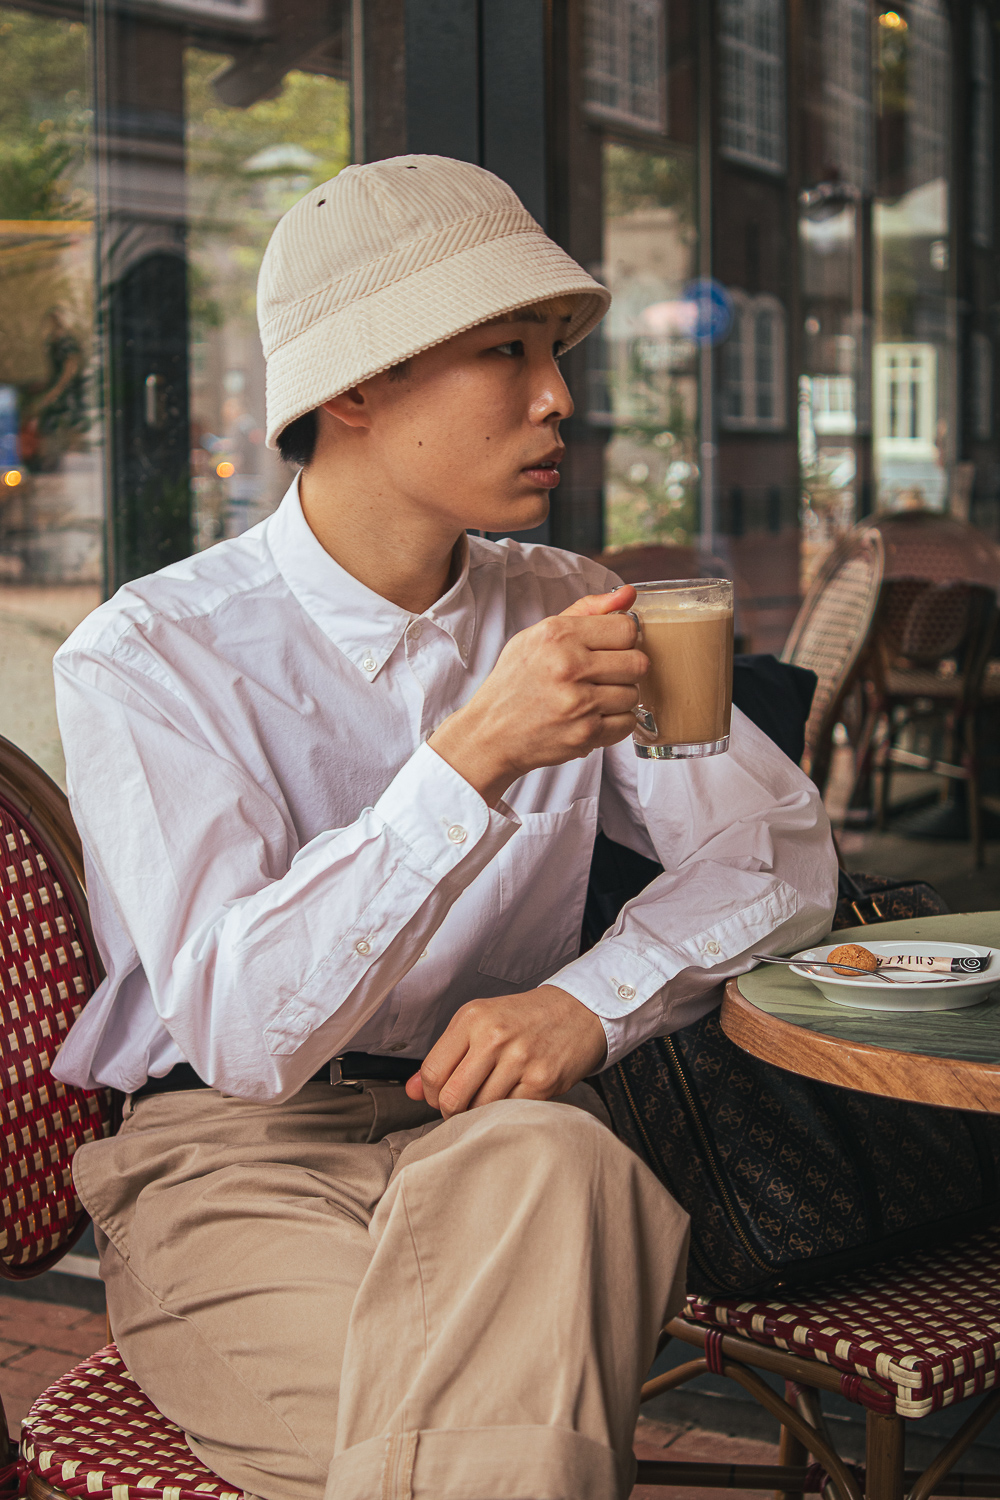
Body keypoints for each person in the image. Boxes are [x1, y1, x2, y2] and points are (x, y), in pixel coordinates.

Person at [53, 156, 838, 1500]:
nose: (561, 401)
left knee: (562, 1156)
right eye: (506, 351)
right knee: (488, 1447)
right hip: (232, 1155)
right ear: (353, 391)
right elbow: (245, 1038)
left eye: (555, 351)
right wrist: (471, 753)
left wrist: (588, 1004)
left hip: (499, 1133)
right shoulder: (151, 655)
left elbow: (777, 857)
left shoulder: (573, 603)